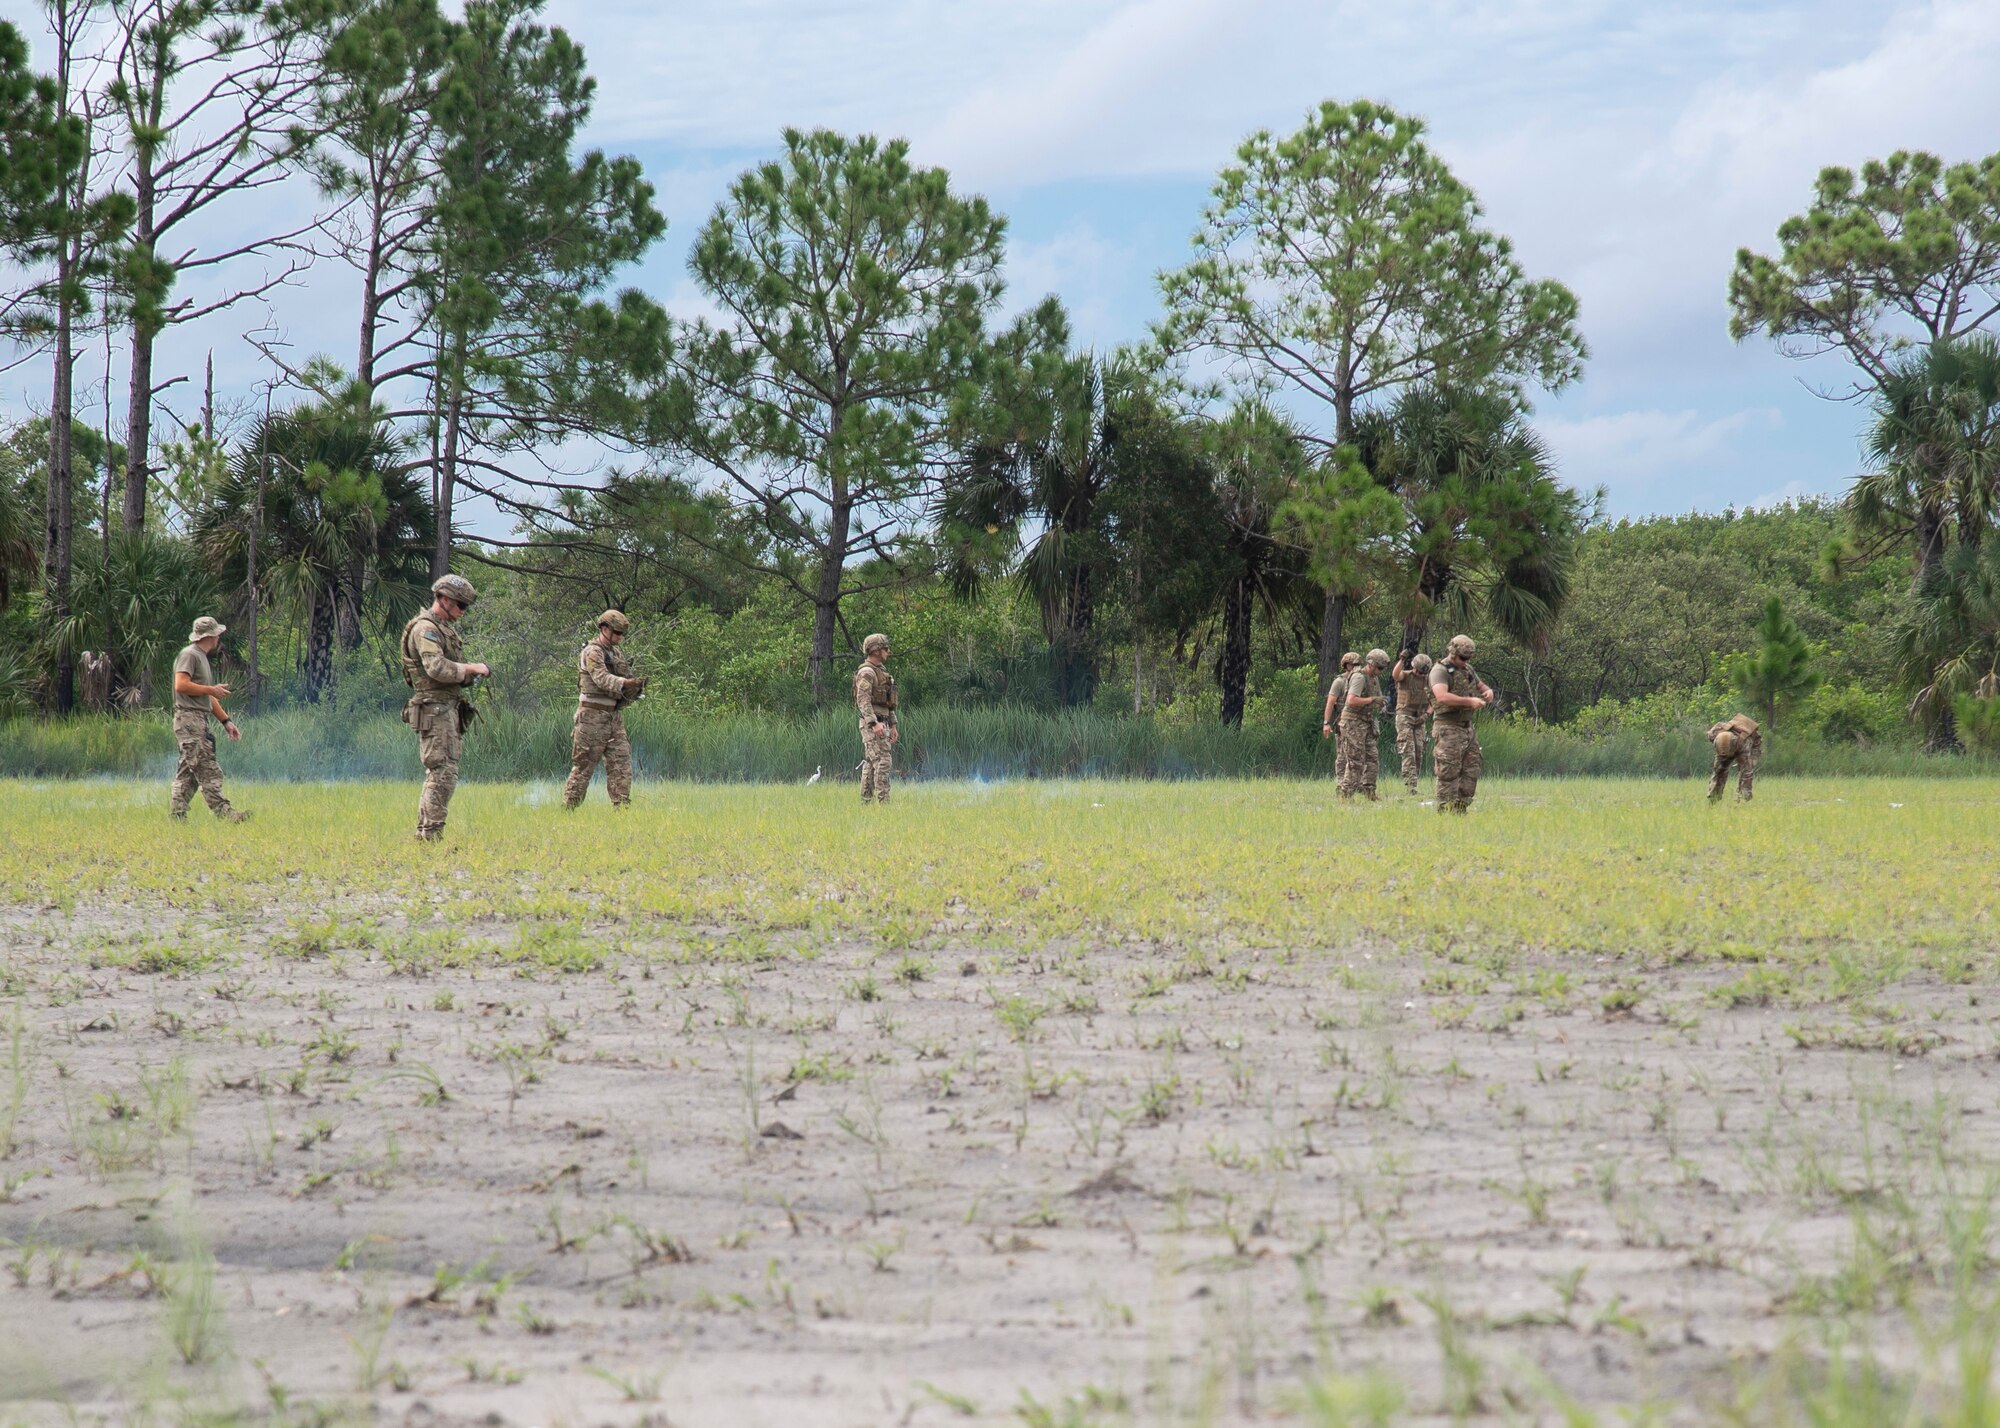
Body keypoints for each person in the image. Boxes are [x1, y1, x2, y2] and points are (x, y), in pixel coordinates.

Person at [400, 574, 491, 840]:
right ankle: (430, 836)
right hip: (434, 708)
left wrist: (466, 676)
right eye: (460, 605)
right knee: (442, 773)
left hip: (445, 707)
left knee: (443, 772)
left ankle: (426, 834)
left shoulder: (442, 629)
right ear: (443, 598)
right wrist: (471, 668)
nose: (463, 611)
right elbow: (436, 668)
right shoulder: (425, 629)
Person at [563, 610, 647, 809]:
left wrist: (635, 687)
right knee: (584, 767)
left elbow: (624, 678)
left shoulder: (615, 653)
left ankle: (622, 808)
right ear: (604, 629)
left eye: (622, 634)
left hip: (612, 718)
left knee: (621, 764)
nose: (619, 637)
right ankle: (568, 810)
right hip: (591, 717)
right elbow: (601, 678)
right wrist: (625, 682)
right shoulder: (592, 652)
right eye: (616, 632)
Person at [170, 616, 248, 823]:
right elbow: (181, 685)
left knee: (187, 774)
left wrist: (226, 721)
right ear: (211, 636)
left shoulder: (201, 657)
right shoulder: (190, 655)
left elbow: (206, 696)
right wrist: (210, 689)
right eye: (217, 634)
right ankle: (227, 814)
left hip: (197, 719)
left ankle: (177, 817)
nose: (219, 637)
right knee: (207, 768)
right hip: (189, 720)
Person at [1428, 633, 1494, 813]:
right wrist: (1469, 702)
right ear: (1452, 652)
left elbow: (1481, 686)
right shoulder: (1439, 671)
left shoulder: (1467, 669)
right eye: (1462, 658)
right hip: (1447, 727)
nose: (1465, 661)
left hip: (1467, 728)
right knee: (1448, 771)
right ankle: (1445, 809)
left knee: (1471, 769)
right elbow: (1441, 697)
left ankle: (1461, 808)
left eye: (1468, 658)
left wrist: (1488, 692)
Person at [1337, 649, 1390, 800]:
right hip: (1353, 722)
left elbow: (1377, 697)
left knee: (1373, 758)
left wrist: (1382, 705)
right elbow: (1351, 700)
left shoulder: (1373, 679)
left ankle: (1369, 792)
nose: (1380, 671)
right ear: (1371, 664)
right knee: (1355, 761)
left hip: (1366, 722)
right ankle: (1346, 794)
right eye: (1379, 668)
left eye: (1382, 669)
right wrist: (1372, 700)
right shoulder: (1359, 677)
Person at [854, 633, 898, 804]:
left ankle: (866, 802)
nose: (888, 652)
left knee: (872, 763)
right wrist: (873, 723)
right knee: (883, 761)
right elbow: (862, 700)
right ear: (875, 650)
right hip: (873, 724)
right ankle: (883, 802)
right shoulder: (866, 672)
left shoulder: (882, 674)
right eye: (885, 649)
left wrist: (892, 725)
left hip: (883, 722)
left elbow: (888, 703)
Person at [1390, 647, 1433, 795]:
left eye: (1423, 672)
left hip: (1420, 717)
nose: (1420, 674)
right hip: (1404, 716)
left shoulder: (1429, 681)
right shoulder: (1406, 676)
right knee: (1408, 751)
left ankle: (1414, 782)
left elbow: (1434, 700)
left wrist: (1426, 715)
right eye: (1419, 671)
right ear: (1414, 667)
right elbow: (1395, 675)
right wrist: (1402, 660)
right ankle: (1411, 787)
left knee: (1419, 751)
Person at [1321, 651, 1362, 783]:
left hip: (1359, 722)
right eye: (1354, 665)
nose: (1356, 667)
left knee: (1359, 754)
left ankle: (1358, 783)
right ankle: (1341, 783)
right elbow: (1330, 703)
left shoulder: (1361, 680)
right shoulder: (1339, 681)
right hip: (1343, 721)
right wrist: (1326, 723)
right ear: (1347, 665)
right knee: (1342, 755)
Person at [1706, 713, 1762, 802]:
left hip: (1747, 744)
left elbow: (1746, 773)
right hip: (1724, 744)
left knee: (1746, 772)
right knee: (1719, 771)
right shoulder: (1716, 731)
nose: (1725, 758)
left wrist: (1753, 760)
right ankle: (1713, 797)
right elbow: (1709, 736)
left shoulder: (1744, 743)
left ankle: (1743, 799)